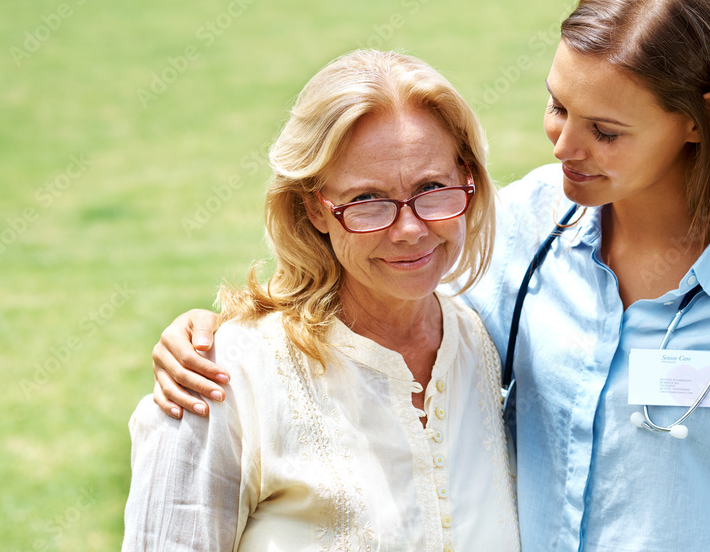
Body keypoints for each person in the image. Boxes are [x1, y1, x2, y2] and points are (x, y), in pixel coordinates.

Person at [150, 0, 710, 550]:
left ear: (700, 120)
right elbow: (375, 246)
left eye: (606, 130)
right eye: (557, 106)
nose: (563, 147)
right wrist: (214, 330)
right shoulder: (529, 225)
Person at [123, 50, 519, 551]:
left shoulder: (487, 342)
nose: (411, 229)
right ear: (315, 207)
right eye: (367, 200)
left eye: (432, 187)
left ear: (468, 178)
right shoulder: (218, 379)